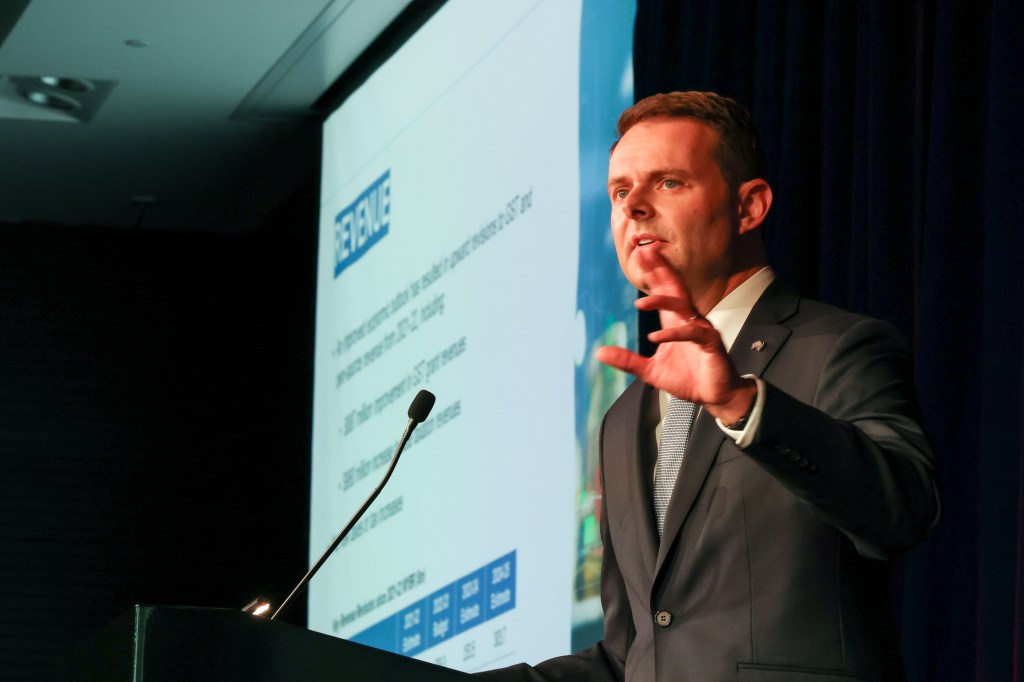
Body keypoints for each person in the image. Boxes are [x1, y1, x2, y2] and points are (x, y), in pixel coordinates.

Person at [480, 92, 940, 681]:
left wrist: (742, 404)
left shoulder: (836, 346)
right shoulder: (623, 417)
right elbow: (632, 653)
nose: (634, 207)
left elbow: (906, 511)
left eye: (668, 182)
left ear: (749, 206)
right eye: (620, 192)